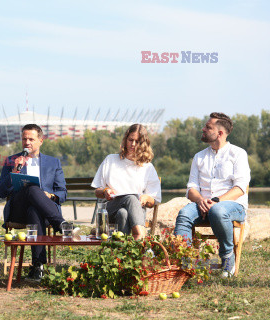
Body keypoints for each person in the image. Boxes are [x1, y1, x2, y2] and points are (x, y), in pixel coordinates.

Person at [174, 112, 250, 278]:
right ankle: (184, 262)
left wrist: (216, 201)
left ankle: (227, 257)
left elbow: (240, 188)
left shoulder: (238, 154)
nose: (203, 129)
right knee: (184, 214)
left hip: (232, 205)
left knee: (218, 211)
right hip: (203, 204)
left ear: (220, 133)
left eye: (208, 127)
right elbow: (191, 188)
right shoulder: (199, 157)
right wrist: (201, 200)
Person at [0, 124, 68, 281]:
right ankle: (61, 224)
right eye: (24, 139)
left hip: (45, 212)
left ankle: (38, 267)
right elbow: (1, 192)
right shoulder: (11, 161)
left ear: (41, 141)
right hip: (18, 211)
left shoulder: (53, 163)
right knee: (32, 189)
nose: (27, 142)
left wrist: (49, 196)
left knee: (34, 210)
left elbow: (62, 192)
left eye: (31, 139)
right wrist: (14, 171)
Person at [92, 124, 161, 240]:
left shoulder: (147, 167)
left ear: (143, 144)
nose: (133, 144)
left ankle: (121, 253)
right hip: (111, 208)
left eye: (137, 141)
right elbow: (97, 191)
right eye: (130, 140)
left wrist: (146, 198)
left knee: (123, 213)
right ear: (125, 139)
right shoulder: (111, 160)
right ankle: (140, 236)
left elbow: (154, 200)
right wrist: (105, 191)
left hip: (135, 211)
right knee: (130, 197)